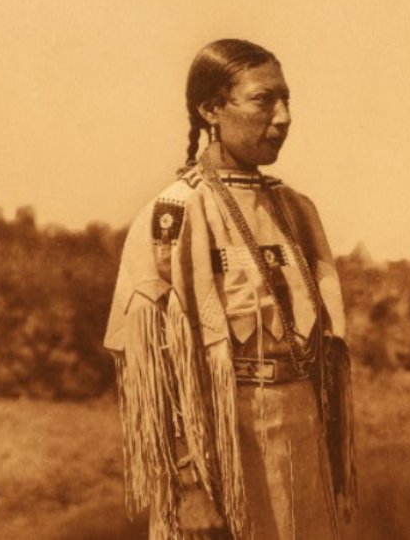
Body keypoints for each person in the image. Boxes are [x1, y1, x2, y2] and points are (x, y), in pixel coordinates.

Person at [104, 39, 357, 540]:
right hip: (223, 452)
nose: (282, 118)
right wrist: (189, 486)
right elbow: (151, 370)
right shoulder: (175, 213)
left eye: (287, 100)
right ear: (210, 108)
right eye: (264, 100)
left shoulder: (298, 212)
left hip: (301, 445)